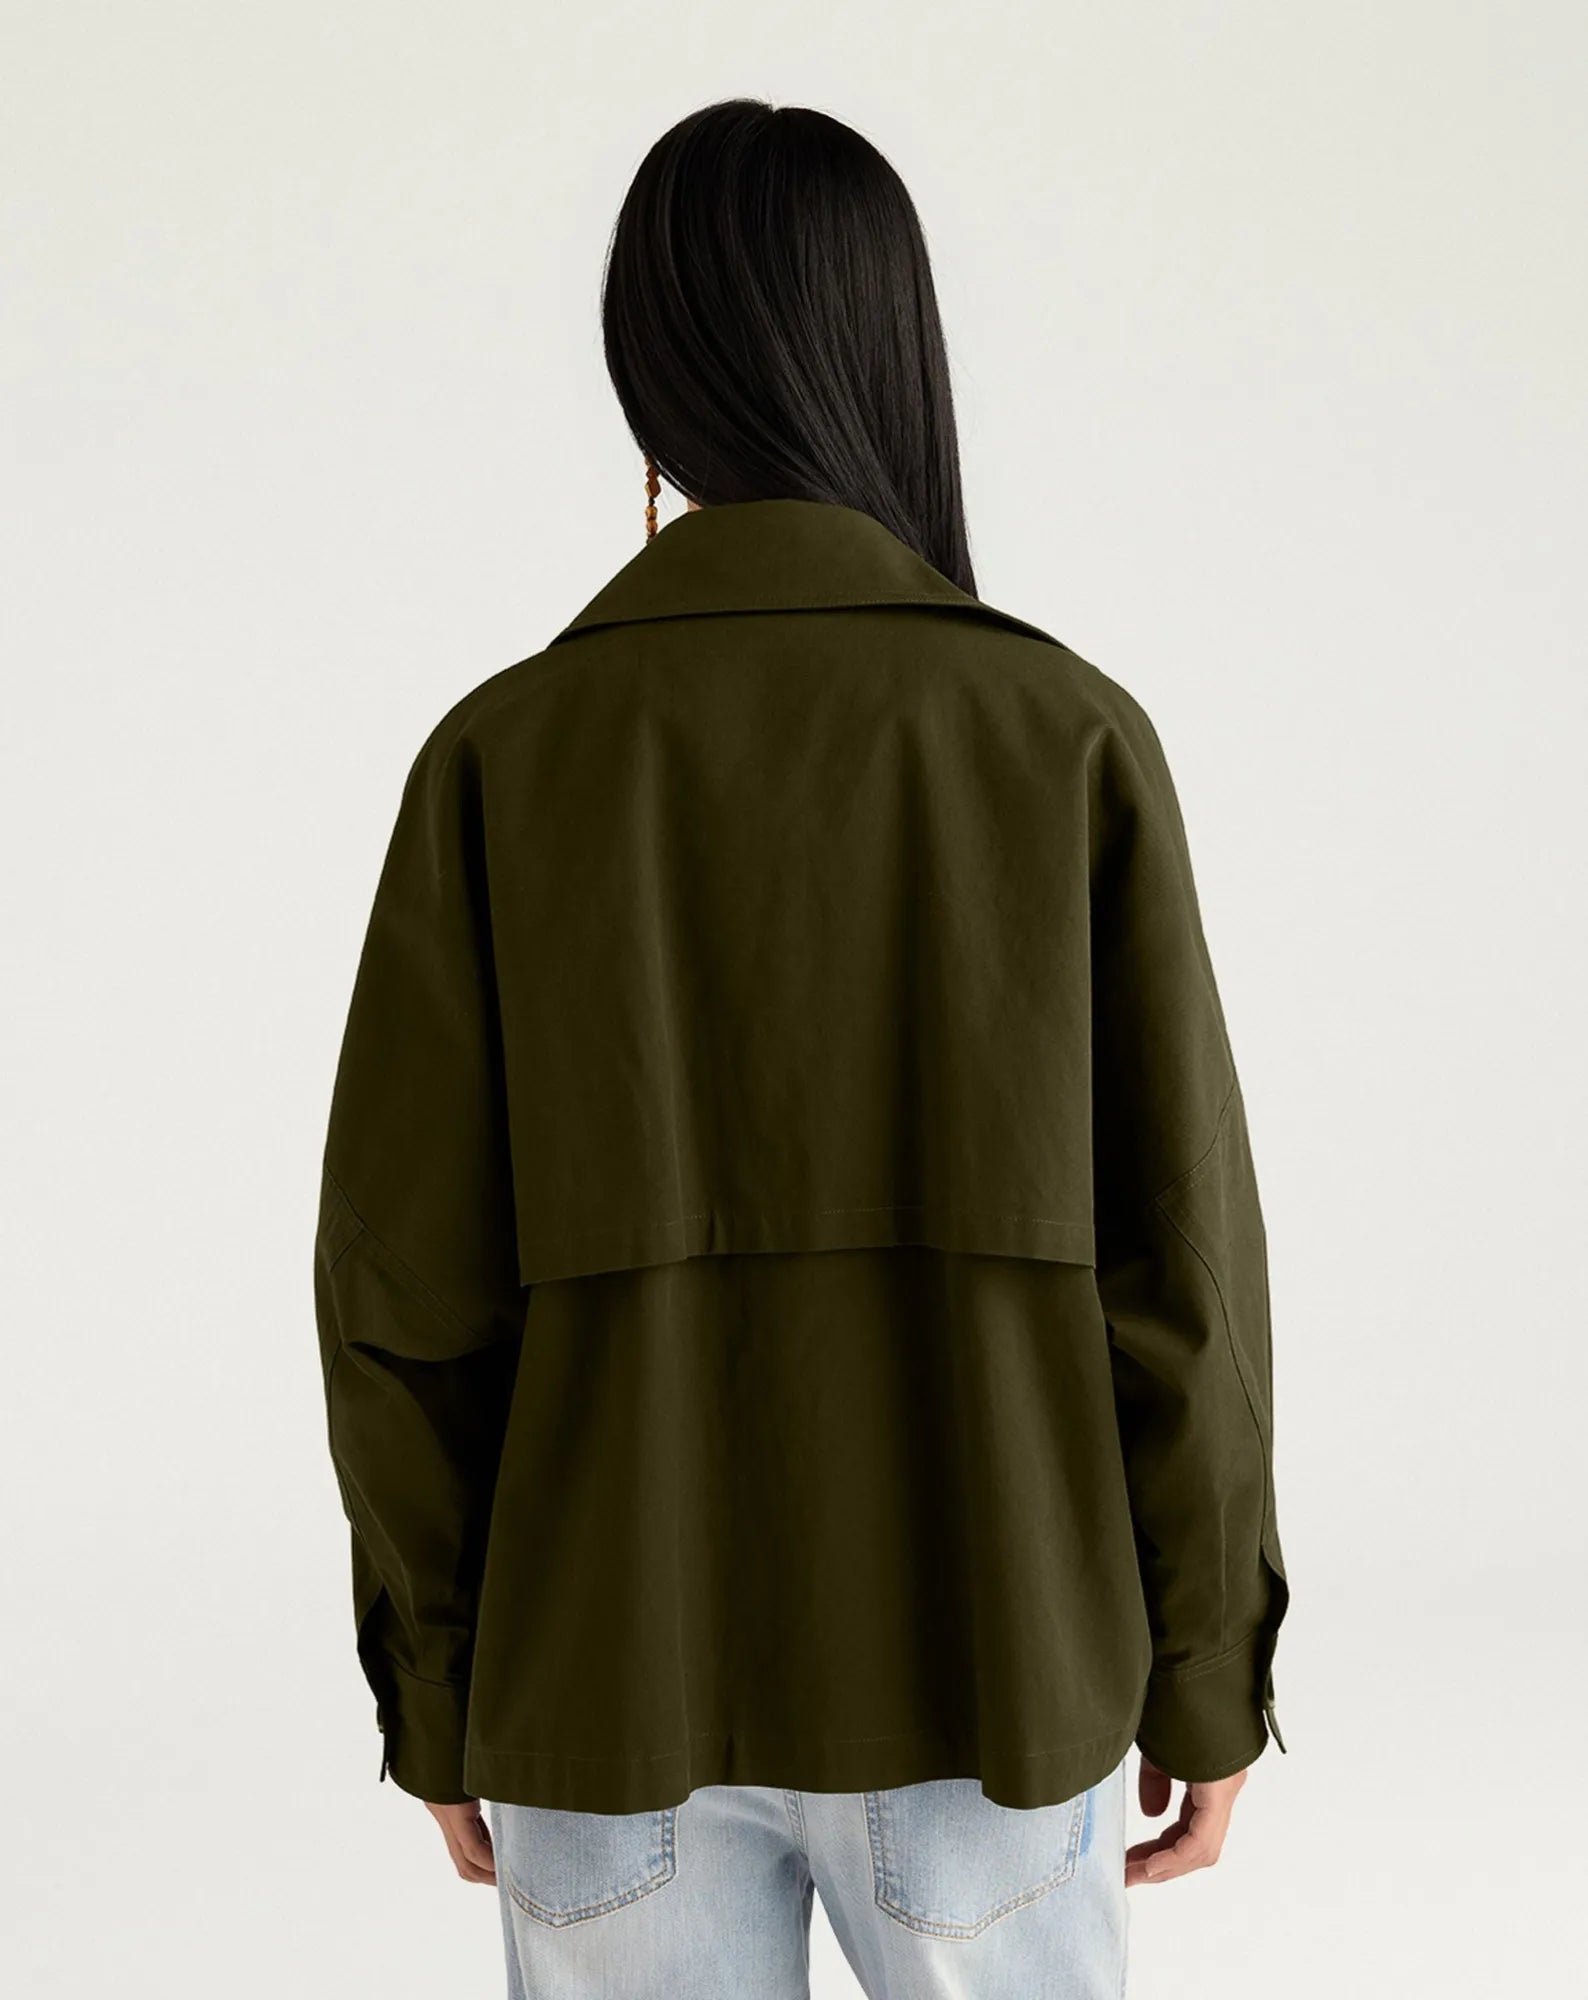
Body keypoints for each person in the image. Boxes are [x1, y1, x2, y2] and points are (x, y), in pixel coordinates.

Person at [312, 97, 1288, 2000]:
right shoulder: (1061, 741)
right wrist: (1207, 1673)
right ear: (893, 353)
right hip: (995, 1676)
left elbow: (400, 1296)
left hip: (600, 1686)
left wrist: (436, 1691)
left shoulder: (507, 760)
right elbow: (1186, 1277)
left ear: (647, 378)